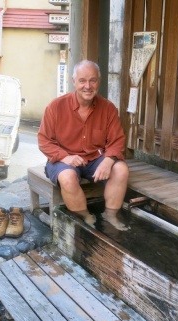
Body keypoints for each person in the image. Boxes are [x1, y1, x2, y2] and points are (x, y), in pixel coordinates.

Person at [38, 60, 129, 231]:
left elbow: (117, 140)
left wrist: (108, 161)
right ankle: (86, 216)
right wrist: (66, 157)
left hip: (95, 157)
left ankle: (110, 215)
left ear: (99, 81)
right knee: (67, 178)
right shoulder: (55, 107)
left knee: (121, 169)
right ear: (74, 82)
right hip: (63, 158)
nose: (88, 86)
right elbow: (44, 140)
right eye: (82, 81)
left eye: (92, 80)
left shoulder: (108, 108)